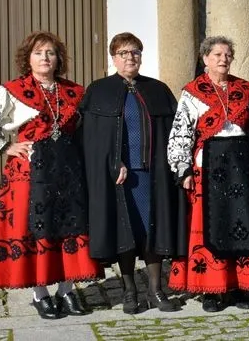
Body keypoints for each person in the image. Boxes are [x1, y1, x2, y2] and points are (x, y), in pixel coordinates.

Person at [0, 31, 100, 319]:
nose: (45, 58)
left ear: (58, 58)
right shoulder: (13, 90)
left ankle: (66, 290)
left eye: (50, 52)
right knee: (35, 228)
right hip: (29, 172)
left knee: (69, 227)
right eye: (38, 53)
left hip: (67, 172)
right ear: (28, 59)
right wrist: (5, 145)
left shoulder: (74, 92)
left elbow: (87, 130)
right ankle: (40, 294)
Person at [80, 32, 185, 314]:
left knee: (153, 230)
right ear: (113, 58)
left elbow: (174, 132)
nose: (130, 57)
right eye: (123, 53)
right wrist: (113, 162)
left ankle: (156, 290)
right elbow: (93, 139)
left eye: (135, 52)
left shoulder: (157, 89)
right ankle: (129, 291)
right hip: (120, 178)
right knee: (124, 233)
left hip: (152, 175)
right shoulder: (99, 91)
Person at [166, 36, 249, 312]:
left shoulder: (246, 91)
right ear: (205, 59)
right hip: (207, 168)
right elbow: (181, 132)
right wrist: (183, 169)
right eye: (217, 55)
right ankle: (210, 290)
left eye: (227, 54)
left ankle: (239, 286)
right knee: (210, 228)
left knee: (240, 225)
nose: (223, 59)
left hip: (241, 169)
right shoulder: (193, 92)